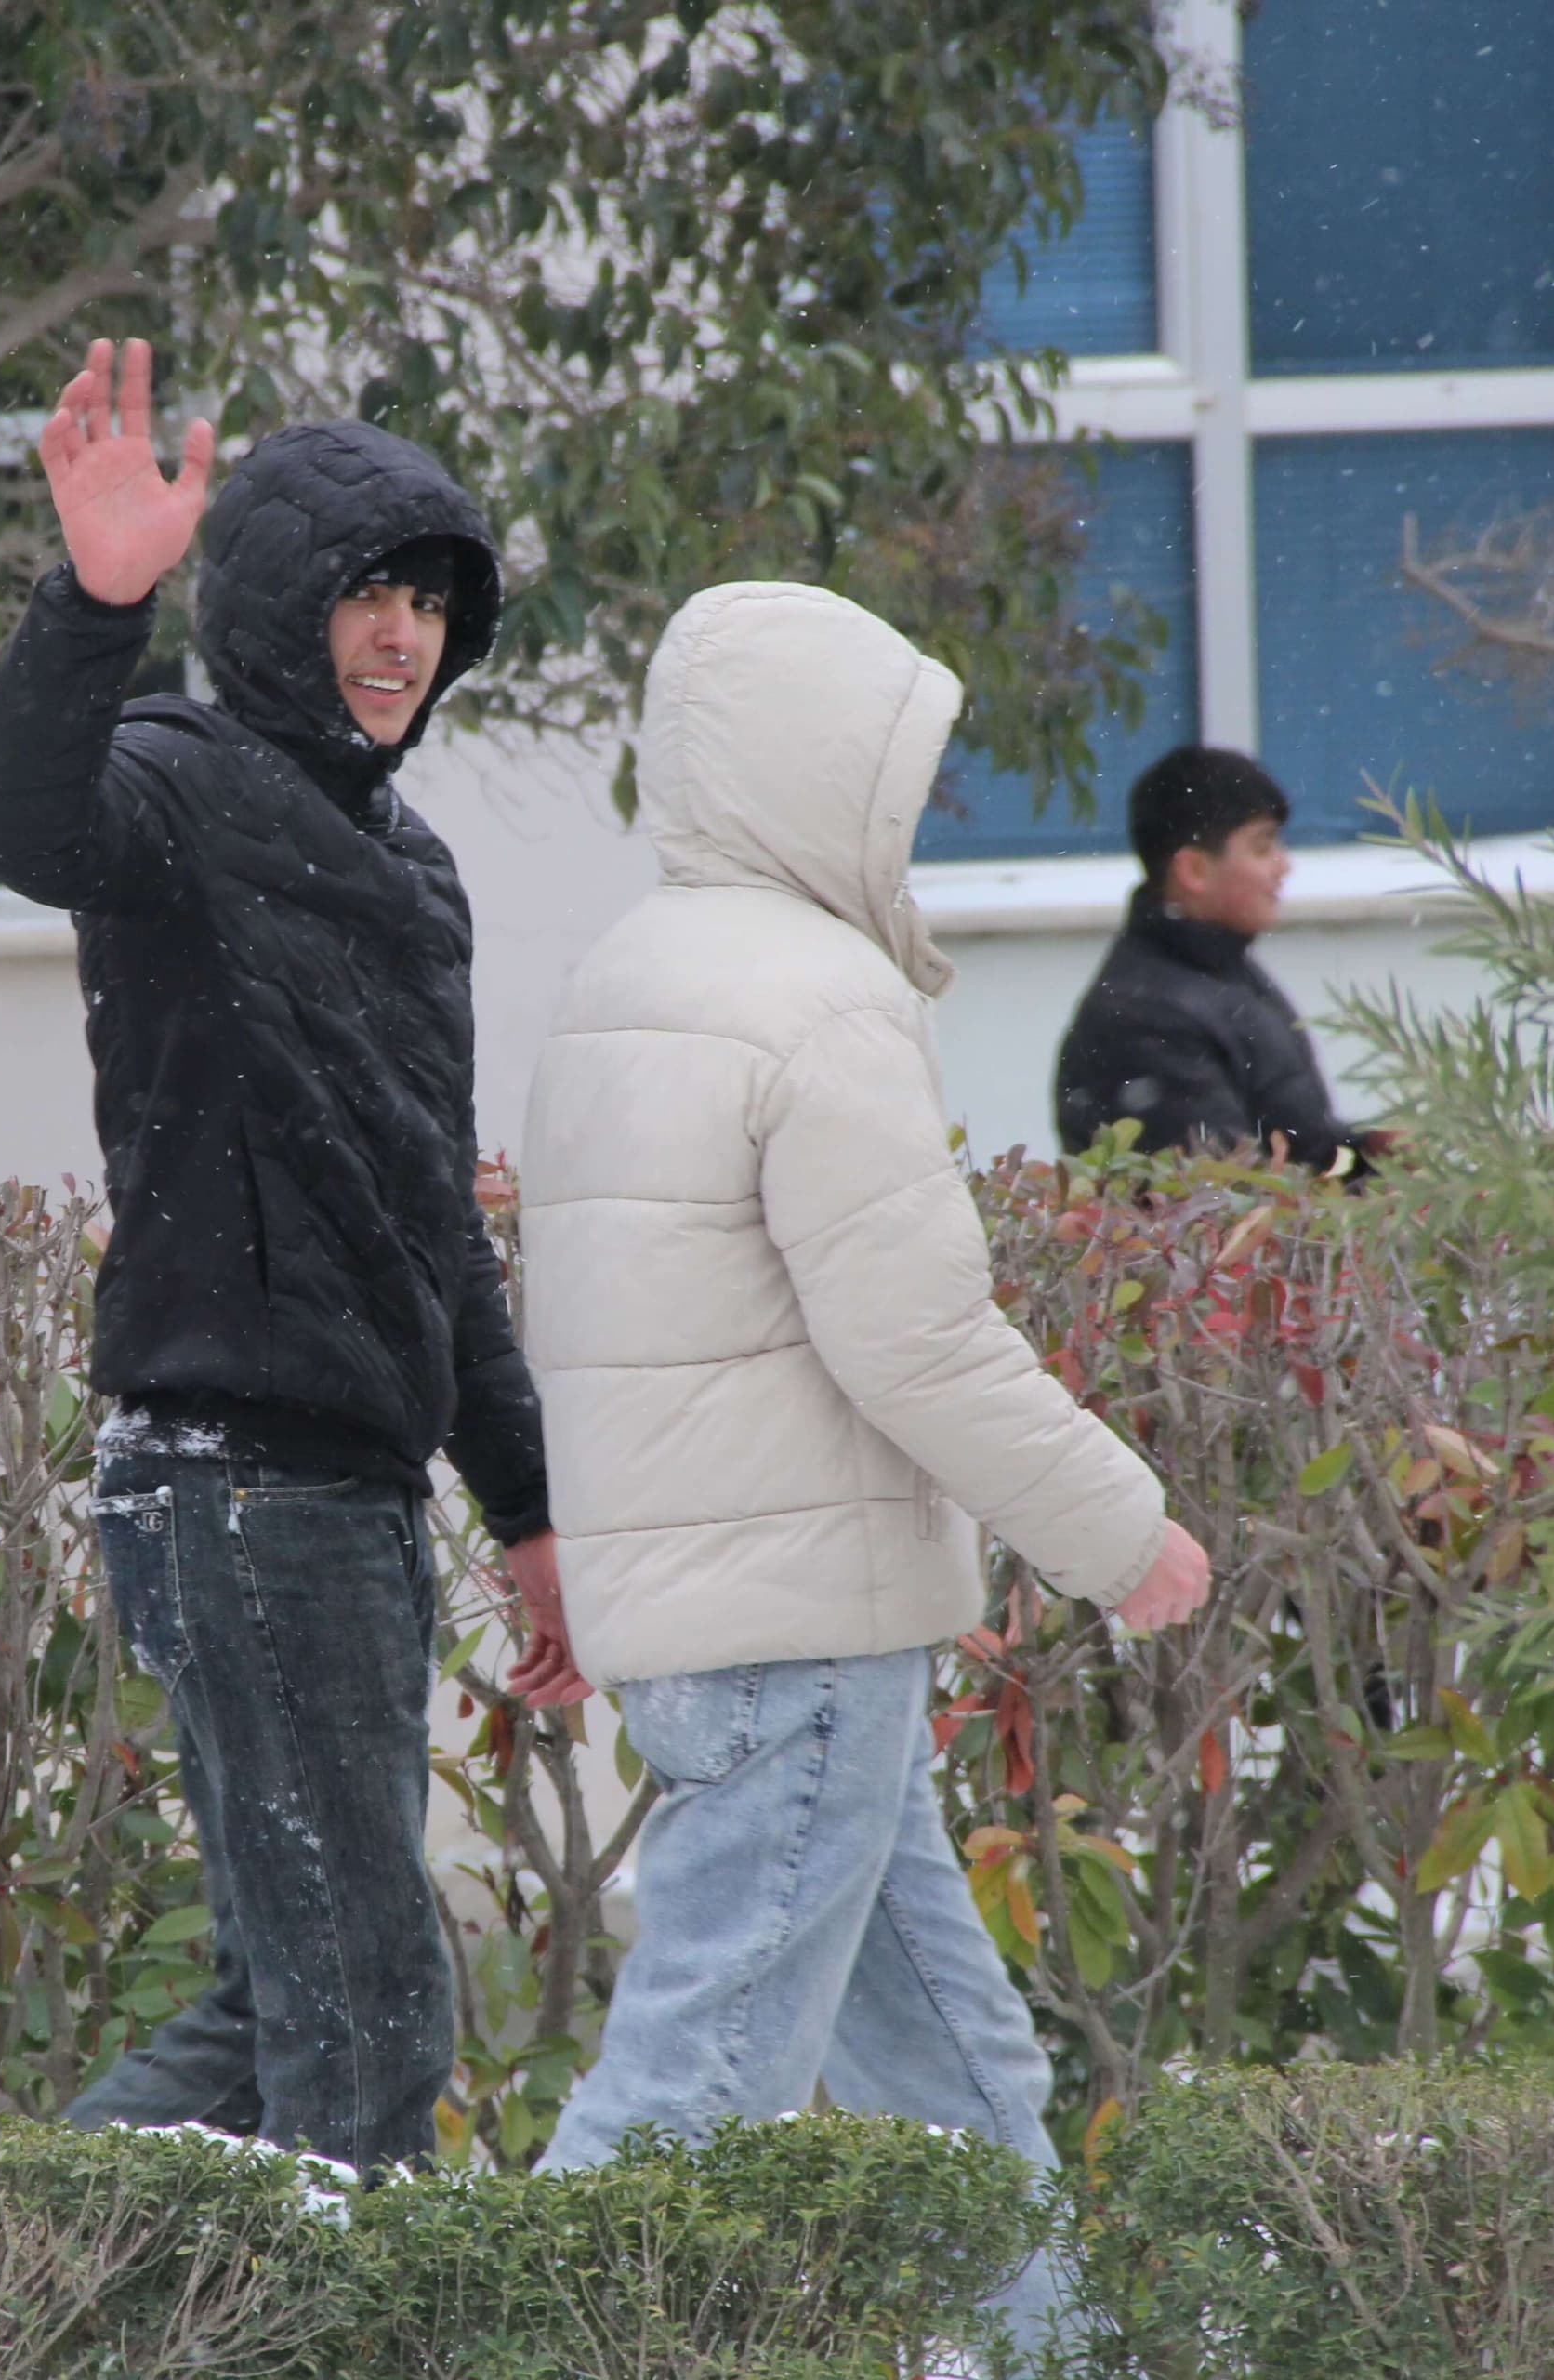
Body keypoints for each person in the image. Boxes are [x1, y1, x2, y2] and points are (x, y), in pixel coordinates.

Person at [519, 582, 1211, 2349]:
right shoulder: (816, 1001)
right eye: (897, 780)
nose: (913, 819)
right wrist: (1117, 1532)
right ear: (816, 777)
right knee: (700, 2089)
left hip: (716, 1621)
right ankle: (510, 2343)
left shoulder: (628, 978)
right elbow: (912, 1339)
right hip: (799, 1635)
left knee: (952, 2073)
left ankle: (1051, 2354)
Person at [0, 339, 568, 2177]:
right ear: (284, 609)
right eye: (367, 597)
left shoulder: (415, 869)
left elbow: (430, 1212)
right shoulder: (174, 779)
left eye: (431, 605)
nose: (402, 640)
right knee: (369, 2000)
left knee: (286, 1995)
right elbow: (16, 825)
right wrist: (96, 597)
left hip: (349, 1476)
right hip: (233, 1463)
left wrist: (526, 1506)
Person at [1050, 743, 1376, 1171]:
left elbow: (1301, 1144)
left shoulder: (1221, 970)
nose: (1283, 866)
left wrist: (1374, 1153)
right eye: (1262, 848)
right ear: (1194, 871)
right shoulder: (1142, 1018)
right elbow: (1224, 1198)